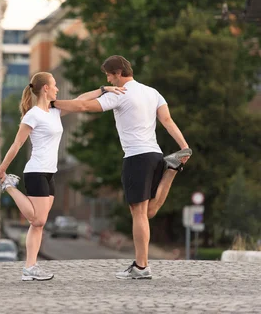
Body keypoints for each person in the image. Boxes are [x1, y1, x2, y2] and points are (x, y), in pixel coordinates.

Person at [51, 55, 191, 280]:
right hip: (155, 155)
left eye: (108, 74)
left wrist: (52, 104)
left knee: (138, 213)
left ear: (117, 73)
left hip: (136, 157)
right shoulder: (152, 92)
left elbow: (84, 105)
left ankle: (141, 267)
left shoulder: (119, 94)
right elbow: (167, 121)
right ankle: (171, 170)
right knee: (148, 212)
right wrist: (184, 147)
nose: (108, 79)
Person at [0, 72, 126, 281]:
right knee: (38, 219)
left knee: (38, 225)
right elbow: (17, 144)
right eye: (54, 85)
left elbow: (80, 100)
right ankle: (8, 185)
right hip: (35, 171)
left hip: (50, 173)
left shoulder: (55, 110)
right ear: (45, 88)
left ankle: (30, 268)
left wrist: (102, 90)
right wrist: (1, 169)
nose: (57, 89)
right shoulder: (32, 115)